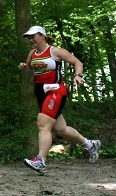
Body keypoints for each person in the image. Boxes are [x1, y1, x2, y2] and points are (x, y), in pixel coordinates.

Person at [19, 26, 101, 173]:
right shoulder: (32, 54)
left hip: (56, 91)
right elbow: (32, 71)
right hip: (41, 92)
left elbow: (77, 63)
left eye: (33, 37)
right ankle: (90, 144)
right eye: (29, 38)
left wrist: (78, 75)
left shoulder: (54, 51)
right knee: (61, 129)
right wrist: (25, 68)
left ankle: (41, 160)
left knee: (43, 124)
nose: (31, 40)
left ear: (42, 36)